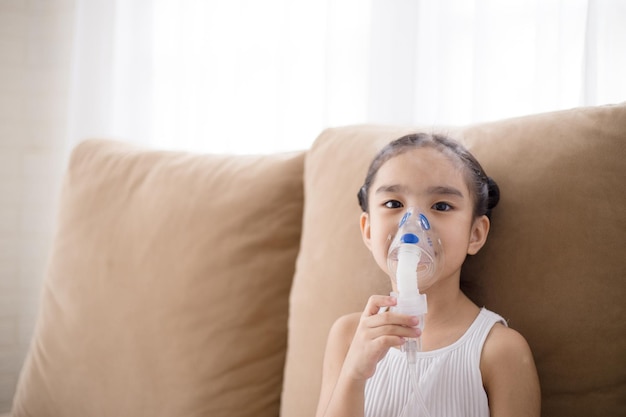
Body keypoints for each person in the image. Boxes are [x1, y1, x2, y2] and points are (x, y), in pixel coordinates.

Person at [315, 133, 541, 417]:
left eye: (441, 206)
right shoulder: (348, 337)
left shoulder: (500, 351)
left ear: (475, 234)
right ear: (369, 230)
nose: (412, 225)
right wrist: (354, 375)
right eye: (393, 204)